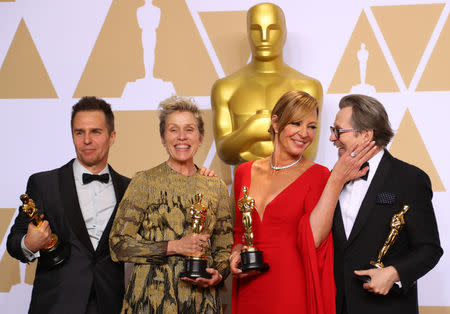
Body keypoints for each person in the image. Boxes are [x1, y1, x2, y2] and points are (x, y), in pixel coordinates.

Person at [229, 90, 377, 314]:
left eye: (312, 126)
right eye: (296, 123)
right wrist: (235, 253)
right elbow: (240, 232)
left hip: (292, 290)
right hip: (250, 288)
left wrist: (336, 179)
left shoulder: (318, 175)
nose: (304, 133)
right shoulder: (244, 172)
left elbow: (316, 238)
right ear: (276, 122)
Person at [109, 96, 233, 313]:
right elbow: (118, 245)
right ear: (162, 137)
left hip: (201, 302)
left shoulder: (216, 186)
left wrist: (219, 274)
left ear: (201, 136)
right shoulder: (144, 181)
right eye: (173, 130)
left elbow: (225, 248)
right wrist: (174, 246)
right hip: (149, 299)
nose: (182, 137)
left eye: (189, 129)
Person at [7, 97, 131, 314]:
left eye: (96, 132)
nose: (86, 140)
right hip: (57, 305)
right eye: (79, 132)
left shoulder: (130, 188)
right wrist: (30, 243)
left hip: (112, 305)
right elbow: (13, 242)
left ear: (112, 137)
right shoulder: (44, 184)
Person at [330, 94, 443, 314]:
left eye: (338, 131)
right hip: (336, 306)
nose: (332, 138)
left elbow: (429, 249)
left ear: (365, 135)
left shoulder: (410, 179)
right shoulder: (333, 178)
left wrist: (394, 273)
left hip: (387, 307)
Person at [211, 2, 323, 166]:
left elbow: (308, 152)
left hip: (291, 186)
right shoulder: (226, 87)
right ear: (248, 33)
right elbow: (225, 153)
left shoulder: (308, 87)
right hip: (244, 188)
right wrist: (249, 131)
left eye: (273, 29)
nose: (264, 37)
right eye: (256, 29)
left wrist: (265, 133)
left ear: (284, 33)